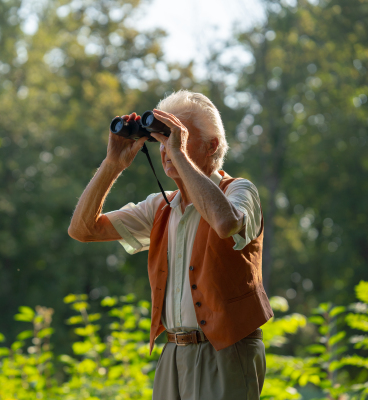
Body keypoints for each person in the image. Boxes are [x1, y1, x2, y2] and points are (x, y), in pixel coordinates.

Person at [68, 90, 273, 400]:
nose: (166, 148)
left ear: (212, 146)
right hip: (173, 353)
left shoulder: (240, 191)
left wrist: (178, 152)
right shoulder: (161, 207)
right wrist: (113, 164)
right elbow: (83, 230)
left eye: (177, 135)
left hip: (227, 352)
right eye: (161, 138)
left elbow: (225, 223)